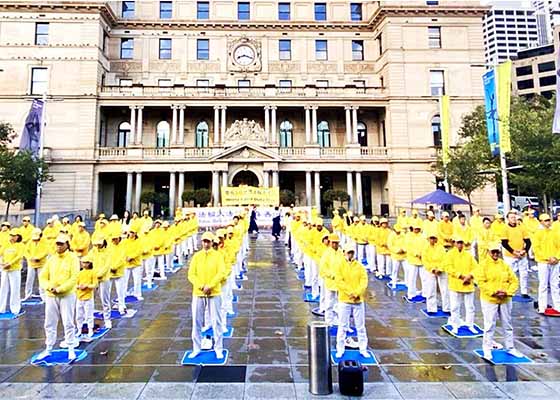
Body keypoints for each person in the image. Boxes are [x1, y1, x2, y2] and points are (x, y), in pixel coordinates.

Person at [474, 242, 522, 360]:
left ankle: (510, 348)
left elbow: (514, 281)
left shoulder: (504, 265)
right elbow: (481, 282)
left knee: (507, 324)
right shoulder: (483, 265)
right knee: (489, 325)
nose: (495, 254)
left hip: (505, 299)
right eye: (493, 252)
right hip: (490, 299)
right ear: (489, 252)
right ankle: (487, 348)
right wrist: (494, 292)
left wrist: (507, 292)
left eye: (497, 252)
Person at [37, 234, 80, 361]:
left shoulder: (73, 258)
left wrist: (61, 289)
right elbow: (43, 276)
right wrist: (48, 287)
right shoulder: (52, 259)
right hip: (51, 295)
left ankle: (71, 348)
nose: (59, 246)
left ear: (67, 244)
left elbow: (74, 278)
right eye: (57, 244)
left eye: (61, 244)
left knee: (68, 322)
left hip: (67, 295)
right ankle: (48, 348)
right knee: (49, 322)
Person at [187, 232, 226, 359]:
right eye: (204, 241)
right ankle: (196, 348)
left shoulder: (218, 256)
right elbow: (191, 275)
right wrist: (201, 286)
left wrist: (210, 285)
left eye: (208, 241)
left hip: (214, 292)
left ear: (212, 242)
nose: (205, 243)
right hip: (199, 293)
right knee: (196, 322)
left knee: (217, 322)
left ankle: (218, 348)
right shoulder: (197, 256)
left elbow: (221, 273)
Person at [335, 243, 369, 359]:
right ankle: (340, 349)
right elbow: (339, 282)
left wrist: (357, 293)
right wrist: (350, 292)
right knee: (342, 326)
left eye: (352, 253)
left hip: (358, 301)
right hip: (345, 300)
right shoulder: (340, 266)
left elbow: (364, 282)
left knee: (360, 326)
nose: (350, 255)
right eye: (348, 252)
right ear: (344, 253)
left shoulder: (359, 266)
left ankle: (363, 349)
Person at [444, 237, 478, 334]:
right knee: (455, 306)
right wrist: (460, 275)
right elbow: (448, 267)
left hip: (468, 283)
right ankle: (455, 325)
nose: (460, 245)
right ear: (454, 243)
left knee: (470, 306)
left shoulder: (468, 255)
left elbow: (476, 267)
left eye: (461, 243)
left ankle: (470, 325)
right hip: (455, 283)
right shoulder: (450, 254)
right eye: (458, 242)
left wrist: (469, 276)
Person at [532, 213, 560, 315]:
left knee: (555, 285)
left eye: (549, 220)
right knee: (543, 285)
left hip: (555, 262)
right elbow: (536, 248)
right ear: (541, 222)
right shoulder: (537, 234)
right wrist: (548, 258)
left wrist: (557, 257)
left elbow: (559, 246)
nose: (548, 222)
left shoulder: (555, 233)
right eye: (546, 220)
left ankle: (558, 307)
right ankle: (542, 307)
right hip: (543, 262)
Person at [501, 211, 531, 299]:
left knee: (524, 273)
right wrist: (513, 251)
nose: (513, 219)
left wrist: (524, 251)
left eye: (514, 217)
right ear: (508, 219)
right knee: (510, 274)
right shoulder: (505, 228)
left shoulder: (521, 228)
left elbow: (528, 241)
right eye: (511, 217)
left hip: (522, 254)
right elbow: (504, 243)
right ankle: (510, 291)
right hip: (510, 255)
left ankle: (524, 292)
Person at [421, 234, 449, 314]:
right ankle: (431, 308)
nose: (432, 240)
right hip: (430, 270)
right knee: (430, 289)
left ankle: (446, 308)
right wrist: (432, 269)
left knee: (445, 289)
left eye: (434, 238)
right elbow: (425, 260)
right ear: (428, 239)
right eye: (431, 238)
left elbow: (444, 259)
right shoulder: (425, 249)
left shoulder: (441, 248)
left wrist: (440, 269)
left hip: (441, 270)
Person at [319, 233, 343, 326]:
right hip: (330, 282)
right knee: (329, 302)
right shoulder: (327, 254)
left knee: (338, 302)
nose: (335, 245)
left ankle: (337, 319)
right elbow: (323, 269)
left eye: (336, 243)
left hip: (339, 282)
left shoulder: (341, 252)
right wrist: (331, 275)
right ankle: (328, 320)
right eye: (333, 243)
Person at [0, 230, 25, 316]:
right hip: (5, 269)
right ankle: (1, 308)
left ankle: (15, 309)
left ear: (18, 236)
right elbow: (1, 254)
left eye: (14, 236)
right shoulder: (6, 244)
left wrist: (10, 263)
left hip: (14, 269)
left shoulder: (20, 245)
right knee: (3, 288)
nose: (12, 237)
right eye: (11, 235)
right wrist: (2, 263)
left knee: (15, 289)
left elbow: (19, 256)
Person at [90, 237, 112, 329]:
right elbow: (88, 260)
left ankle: (107, 319)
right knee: (90, 299)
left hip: (104, 279)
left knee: (105, 299)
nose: (98, 245)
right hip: (93, 279)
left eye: (100, 243)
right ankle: (89, 320)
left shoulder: (108, 252)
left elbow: (107, 266)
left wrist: (99, 274)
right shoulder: (93, 251)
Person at [75, 254, 98, 338]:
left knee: (89, 315)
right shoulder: (79, 273)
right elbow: (74, 284)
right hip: (79, 297)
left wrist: (87, 286)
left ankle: (90, 329)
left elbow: (95, 284)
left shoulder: (93, 273)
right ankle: (79, 329)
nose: (84, 264)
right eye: (83, 263)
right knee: (79, 315)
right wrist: (79, 287)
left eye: (86, 263)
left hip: (88, 297)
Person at [24, 228, 50, 301]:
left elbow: (46, 251)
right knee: (29, 279)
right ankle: (28, 295)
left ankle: (43, 296)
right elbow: (25, 251)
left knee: (41, 280)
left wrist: (39, 257)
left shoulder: (45, 241)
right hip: (31, 263)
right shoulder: (30, 242)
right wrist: (30, 258)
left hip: (41, 263)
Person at [404, 223, 425, 301]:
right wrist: (416, 254)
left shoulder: (422, 237)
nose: (416, 230)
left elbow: (425, 247)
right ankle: (411, 294)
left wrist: (422, 254)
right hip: (412, 260)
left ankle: (424, 293)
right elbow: (408, 247)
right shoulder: (409, 236)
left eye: (418, 229)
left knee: (424, 278)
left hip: (422, 261)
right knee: (412, 278)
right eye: (415, 228)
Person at [123, 229, 144, 300]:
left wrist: (132, 257)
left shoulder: (139, 241)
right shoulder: (125, 241)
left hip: (136, 263)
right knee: (124, 280)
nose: (131, 234)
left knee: (137, 279)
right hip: (126, 263)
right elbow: (122, 251)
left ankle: (137, 293)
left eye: (133, 232)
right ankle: (124, 293)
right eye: (130, 232)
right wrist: (126, 257)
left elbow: (139, 251)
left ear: (135, 233)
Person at [388, 225, 407, 289]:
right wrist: (397, 250)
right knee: (395, 270)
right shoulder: (391, 236)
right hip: (395, 256)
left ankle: (407, 283)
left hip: (404, 256)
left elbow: (406, 243)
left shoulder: (403, 235)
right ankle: (394, 283)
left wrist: (404, 249)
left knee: (406, 270)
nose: (398, 232)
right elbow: (390, 245)